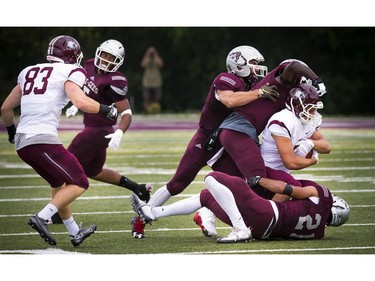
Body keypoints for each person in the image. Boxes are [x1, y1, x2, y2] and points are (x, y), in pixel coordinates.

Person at [131, 45, 279, 238]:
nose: (257, 68)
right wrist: (259, 93)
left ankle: (206, 214)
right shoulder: (226, 79)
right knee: (178, 183)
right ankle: (143, 218)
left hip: (225, 143)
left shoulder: (248, 85)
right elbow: (230, 100)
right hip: (206, 139)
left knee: (229, 186)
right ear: (239, 64)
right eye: (253, 63)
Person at [1, 35, 118, 246]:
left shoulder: (28, 71)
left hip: (23, 143)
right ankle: (43, 216)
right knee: (80, 182)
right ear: (73, 55)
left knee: (58, 183)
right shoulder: (72, 70)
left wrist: (11, 132)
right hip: (42, 139)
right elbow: (80, 101)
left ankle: (74, 232)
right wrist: (106, 110)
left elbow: (6, 108)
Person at [193, 59, 327, 236]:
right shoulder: (284, 119)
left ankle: (221, 212)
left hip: (262, 152)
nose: (312, 113)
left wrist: (310, 143)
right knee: (266, 189)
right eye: (309, 107)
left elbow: (326, 145)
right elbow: (291, 162)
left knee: (259, 190)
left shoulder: (302, 119)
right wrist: (312, 159)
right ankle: (250, 219)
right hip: (261, 155)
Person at [130, 171, 350, 242]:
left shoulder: (321, 195)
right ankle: (154, 212)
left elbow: (290, 189)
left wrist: (261, 182)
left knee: (212, 177)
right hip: (264, 231)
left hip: (266, 217)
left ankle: (239, 228)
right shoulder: (318, 232)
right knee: (208, 196)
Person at [63, 39, 152, 215]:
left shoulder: (114, 80)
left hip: (98, 130)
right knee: (93, 170)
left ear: (118, 61)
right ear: (98, 53)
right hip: (93, 128)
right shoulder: (88, 65)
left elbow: (126, 113)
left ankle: (59, 211)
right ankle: (138, 188)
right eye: (104, 55)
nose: (106, 60)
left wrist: (120, 131)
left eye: (111, 57)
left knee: (65, 164)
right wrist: (76, 103)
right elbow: (81, 89)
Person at [140, 46, 164, 113]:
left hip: (157, 82)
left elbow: (161, 64)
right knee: (147, 98)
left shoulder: (156, 58)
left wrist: (155, 55)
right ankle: (148, 111)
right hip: (147, 82)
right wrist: (148, 55)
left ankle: (156, 111)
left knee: (157, 98)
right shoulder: (147, 58)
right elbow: (143, 65)